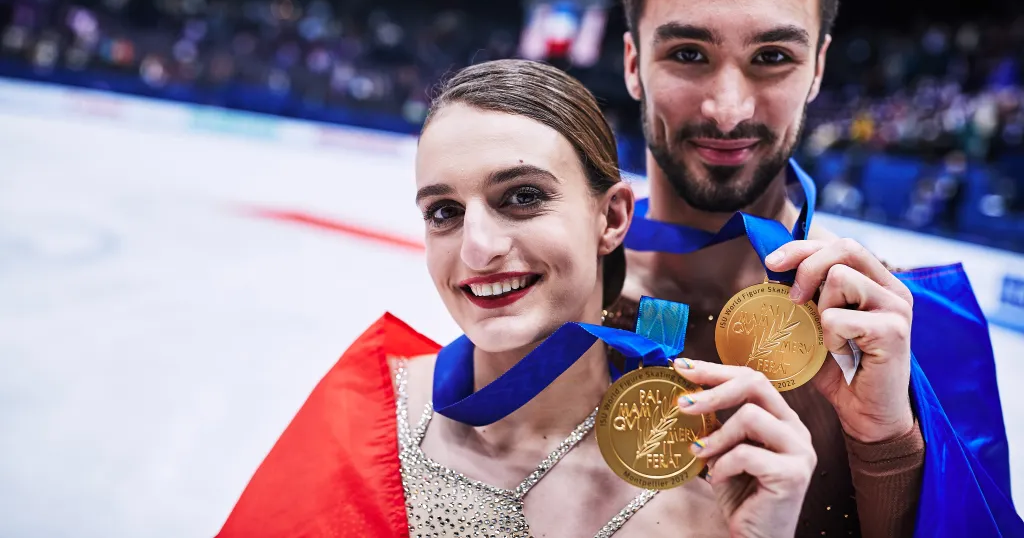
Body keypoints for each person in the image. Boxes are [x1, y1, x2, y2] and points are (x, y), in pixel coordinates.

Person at [215, 59, 820, 537]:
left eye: (522, 196)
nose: (476, 249)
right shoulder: (365, 409)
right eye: (444, 212)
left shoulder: (707, 497)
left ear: (611, 217)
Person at [609, 0, 1020, 538]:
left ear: (819, 68)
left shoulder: (909, 333)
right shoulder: (558, 305)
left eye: (772, 57)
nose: (728, 108)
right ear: (632, 63)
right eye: (687, 53)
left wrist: (889, 446)